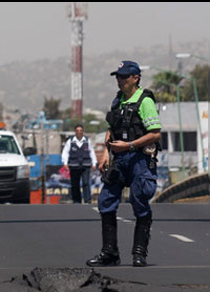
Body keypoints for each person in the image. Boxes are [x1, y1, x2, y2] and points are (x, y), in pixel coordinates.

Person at [86, 61, 162, 268]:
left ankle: (139, 253)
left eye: (123, 77)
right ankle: (109, 253)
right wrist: (105, 154)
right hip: (119, 159)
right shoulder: (117, 101)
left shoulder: (145, 101)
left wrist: (129, 145)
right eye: (117, 77)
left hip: (139, 159)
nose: (119, 80)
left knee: (139, 201)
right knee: (106, 200)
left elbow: (155, 134)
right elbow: (112, 129)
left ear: (135, 78)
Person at [62, 124, 97, 204]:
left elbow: (91, 152)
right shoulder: (70, 141)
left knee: (85, 183)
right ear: (75, 132)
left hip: (85, 165)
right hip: (74, 166)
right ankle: (76, 200)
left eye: (81, 131)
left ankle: (87, 199)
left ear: (83, 132)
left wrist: (94, 163)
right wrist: (65, 163)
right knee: (75, 184)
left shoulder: (87, 141)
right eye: (77, 131)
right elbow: (65, 152)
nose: (79, 132)